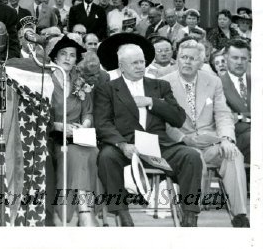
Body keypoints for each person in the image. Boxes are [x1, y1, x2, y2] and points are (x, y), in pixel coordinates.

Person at [94, 33, 204, 227]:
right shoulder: (107, 89)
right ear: (121, 66)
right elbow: (103, 123)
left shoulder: (160, 86)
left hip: (159, 146)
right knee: (106, 156)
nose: (140, 67)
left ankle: (190, 216)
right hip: (126, 147)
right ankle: (122, 214)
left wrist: (152, 102)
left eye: (142, 62)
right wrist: (121, 144)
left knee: (191, 156)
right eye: (134, 63)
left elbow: (178, 118)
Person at [162, 39, 249, 227]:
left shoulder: (213, 81)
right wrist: (182, 138)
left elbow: (223, 114)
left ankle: (240, 215)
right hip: (181, 144)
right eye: (183, 57)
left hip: (210, 143)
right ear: (177, 59)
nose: (187, 62)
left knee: (233, 155)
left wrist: (227, 139)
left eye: (192, 59)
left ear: (201, 62)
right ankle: (191, 212)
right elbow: (163, 121)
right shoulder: (164, 83)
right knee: (193, 158)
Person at [45, 35, 99, 226]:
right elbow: (41, 116)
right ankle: (85, 212)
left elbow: (88, 112)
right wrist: (59, 126)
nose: (68, 59)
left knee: (90, 151)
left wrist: (84, 124)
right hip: (52, 137)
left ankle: (84, 211)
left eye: (72, 55)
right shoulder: (46, 81)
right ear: (55, 58)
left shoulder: (80, 81)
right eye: (63, 54)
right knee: (75, 154)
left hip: (78, 136)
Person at [219, 39, 251, 164]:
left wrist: (241, 116)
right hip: (235, 138)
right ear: (225, 59)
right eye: (235, 58)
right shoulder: (217, 83)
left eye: (244, 58)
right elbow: (223, 116)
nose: (239, 62)